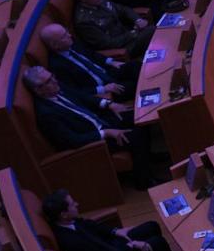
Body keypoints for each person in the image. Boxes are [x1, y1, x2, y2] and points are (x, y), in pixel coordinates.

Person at [22, 64, 154, 188]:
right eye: (49, 81)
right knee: (136, 136)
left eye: (52, 77)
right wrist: (106, 133)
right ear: (38, 90)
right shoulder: (46, 114)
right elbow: (71, 140)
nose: (55, 81)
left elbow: (83, 97)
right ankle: (144, 181)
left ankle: (152, 158)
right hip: (94, 140)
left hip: (101, 120)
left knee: (140, 114)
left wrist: (108, 104)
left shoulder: (56, 88)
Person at [42, 188, 180, 251]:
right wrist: (131, 246)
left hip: (110, 245)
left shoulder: (67, 221)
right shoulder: (71, 243)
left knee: (152, 226)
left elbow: (91, 226)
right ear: (63, 214)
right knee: (158, 243)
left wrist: (115, 231)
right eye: (72, 204)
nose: (77, 204)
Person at [40, 22, 138, 97]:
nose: (69, 36)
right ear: (55, 45)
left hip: (107, 72)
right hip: (102, 89)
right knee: (135, 86)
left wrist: (111, 61)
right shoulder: (57, 66)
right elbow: (76, 91)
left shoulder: (71, 43)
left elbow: (91, 53)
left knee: (135, 65)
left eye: (67, 32)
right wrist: (103, 89)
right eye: (64, 36)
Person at [71, 0, 154, 58]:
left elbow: (122, 9)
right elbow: (107, 43)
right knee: (154, 32)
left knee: (158, 31)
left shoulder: (99, 0)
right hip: (122, 48)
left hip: (129, 34)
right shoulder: (84, 21)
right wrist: (133, 33)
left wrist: (138, 20)